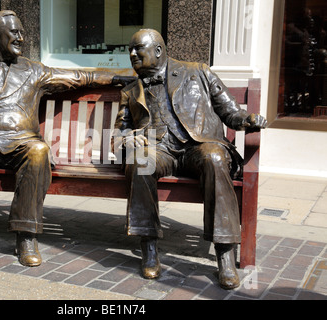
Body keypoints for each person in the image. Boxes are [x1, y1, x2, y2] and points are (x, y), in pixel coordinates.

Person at [0, 10, 132, 268]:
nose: (21, 38)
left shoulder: (34, 71)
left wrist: (123, 79)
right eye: (14, 33)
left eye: (22, 32)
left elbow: (81, 78)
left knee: (38, 151)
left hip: (21, 142)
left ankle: (26, 237)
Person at [114, 29, 267, 289]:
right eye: (130, 50)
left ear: (158, 51)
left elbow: (229, 111)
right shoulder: (131, 89)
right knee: (140, 162)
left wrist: (247, 119)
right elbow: (121, 130)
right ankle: (149, 248)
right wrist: (125, 139)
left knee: (215, 159)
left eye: (138, 49)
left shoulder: (198, 72)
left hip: (199, 146)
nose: (132, 54)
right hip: (159, 148)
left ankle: (225, 255)